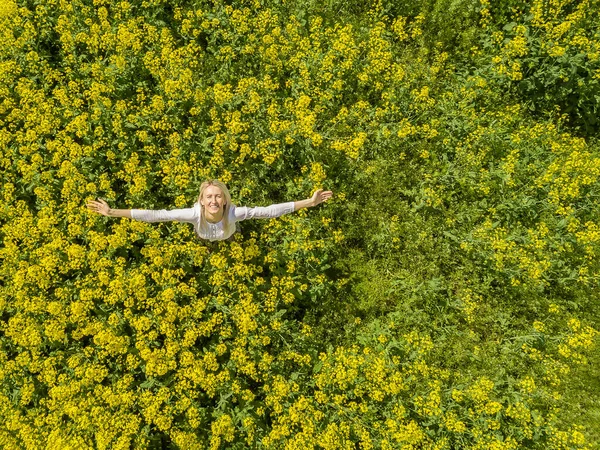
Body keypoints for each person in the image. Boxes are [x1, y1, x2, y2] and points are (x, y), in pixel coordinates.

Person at [86, 180, 333, 242]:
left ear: (225, 200)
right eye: (208, 197)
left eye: (218, 196)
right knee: (204, 238)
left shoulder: (234, 213)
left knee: (230, 236)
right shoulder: (193, 214)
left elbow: (269, 211)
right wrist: (112, 212)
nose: (213, 200)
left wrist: (309, 203)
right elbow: (155, 215)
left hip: (228, 232)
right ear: (202, 201)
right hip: (203, 234)